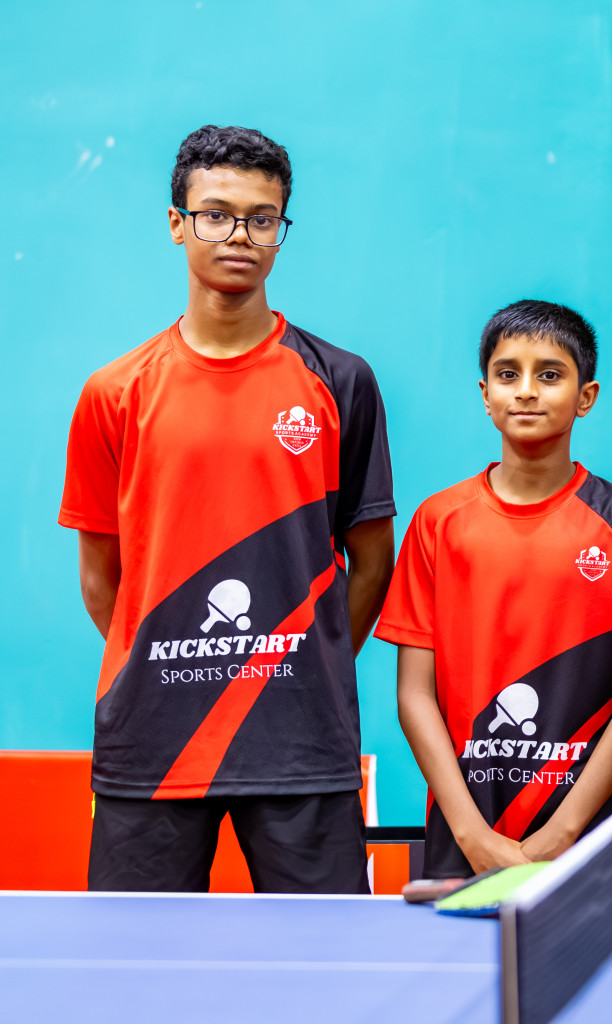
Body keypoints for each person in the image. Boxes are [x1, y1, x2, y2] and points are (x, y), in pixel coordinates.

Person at [59, 125, 396, 892]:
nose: (238, 234)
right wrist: (170, 669)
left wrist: (306, 668)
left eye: (261, 217)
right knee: (136, 984)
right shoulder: (114, 392)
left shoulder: (340, 380)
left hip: (302, 745)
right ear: (177, 223)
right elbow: (99, 575)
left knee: (327, 978)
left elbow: (371, 558)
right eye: (215, 213)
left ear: (282, 231)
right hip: (154, 744)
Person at [375, 301, 612, 878]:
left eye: (549, 375)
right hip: (466, 831)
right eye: (508, 374)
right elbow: (414, 695)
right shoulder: (438, 521)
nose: (526, 391)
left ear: (586, 396)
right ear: (485, 394)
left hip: (593, 834)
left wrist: (564, 830)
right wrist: (471, 833)